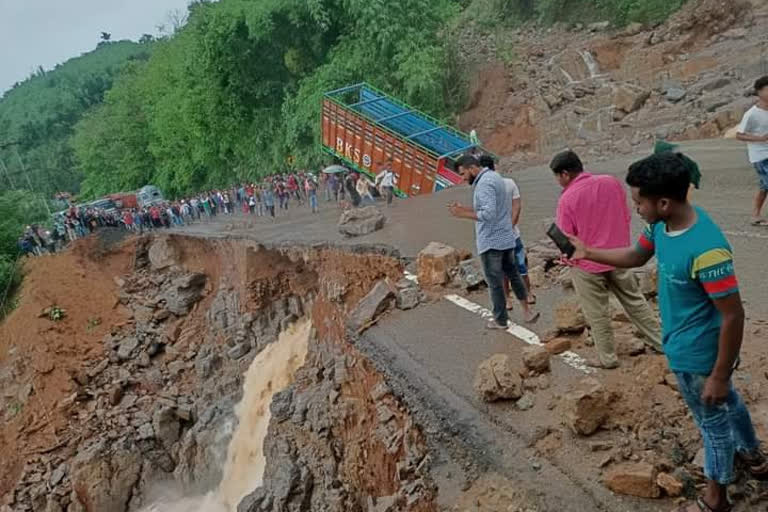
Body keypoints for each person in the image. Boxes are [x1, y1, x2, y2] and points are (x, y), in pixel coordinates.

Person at [568, 151, 768, 512]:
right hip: (684, 346)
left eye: (638, 202)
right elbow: (635, 257)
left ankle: (715, 498)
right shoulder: (661, 227)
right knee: (728, 406)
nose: (636, 210)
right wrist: (588, 252)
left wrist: (719, 375)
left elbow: (734, 315)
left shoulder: (707, 248)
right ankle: (754, 457)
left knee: (713, 426)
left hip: (699, 356)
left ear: (662, 202)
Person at [551, 150, 661, 369]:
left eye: (557, 177)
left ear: (564, 174)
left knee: (597, 313)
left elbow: (566, 238)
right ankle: (661, 342)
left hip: (587, 264)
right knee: (635, 301)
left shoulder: (567, 199)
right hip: (620, 256)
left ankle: (607, 358)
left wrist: (565, 259)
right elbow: (627, 214)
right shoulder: (611, 182)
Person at [448, 154, 539, 327]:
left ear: (472, 168)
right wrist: (466, 208)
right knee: (514, 275)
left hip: (491, 241)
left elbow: (488, 214)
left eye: (463, 173)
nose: (463, 178)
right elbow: (493, 207)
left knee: (495, 283)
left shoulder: (483, 185)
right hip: (506, 237)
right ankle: (527, 311)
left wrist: (463, 214)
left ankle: (500, 320)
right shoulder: (495, 178)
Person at [479, 155, 536, 306]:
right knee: (520, 265)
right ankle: (527, 294)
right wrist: (510, 225)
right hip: (512, 233)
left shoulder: (482, 189)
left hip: (497, 237)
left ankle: (508, 298)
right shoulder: (509, 183)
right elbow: (517, 207)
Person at [736, 76, 768, 226]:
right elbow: (739, 135)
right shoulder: (752, 114)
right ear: (759, 92)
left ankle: (755, 215)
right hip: (761, 156)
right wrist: (760, 139)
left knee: (764, 187)